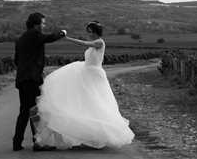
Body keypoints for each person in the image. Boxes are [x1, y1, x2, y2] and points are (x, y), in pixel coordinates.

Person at [33, 21, 134, 149]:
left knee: (96, 103)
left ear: (96, 32)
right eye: (88, 31)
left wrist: (67, 38)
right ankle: (86, 134)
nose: (88, 34)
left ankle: (100, 133)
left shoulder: (99, 42)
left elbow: (84, 44)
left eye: (90, 31)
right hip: (85, 72)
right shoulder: (94, 44)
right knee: (84, 103)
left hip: (94, 75)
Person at [13, 12, 66, 151]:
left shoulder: (21, 39)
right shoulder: (34, 35)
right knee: (35, 111)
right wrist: (62, 33)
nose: (44, 25)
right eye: (43, 23)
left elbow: (16, 61)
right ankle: (38, 143)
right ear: (36, 24)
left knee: (25, 111)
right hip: (31, 79)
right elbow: (49, 38)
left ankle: (17, 142)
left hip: (22, 79)